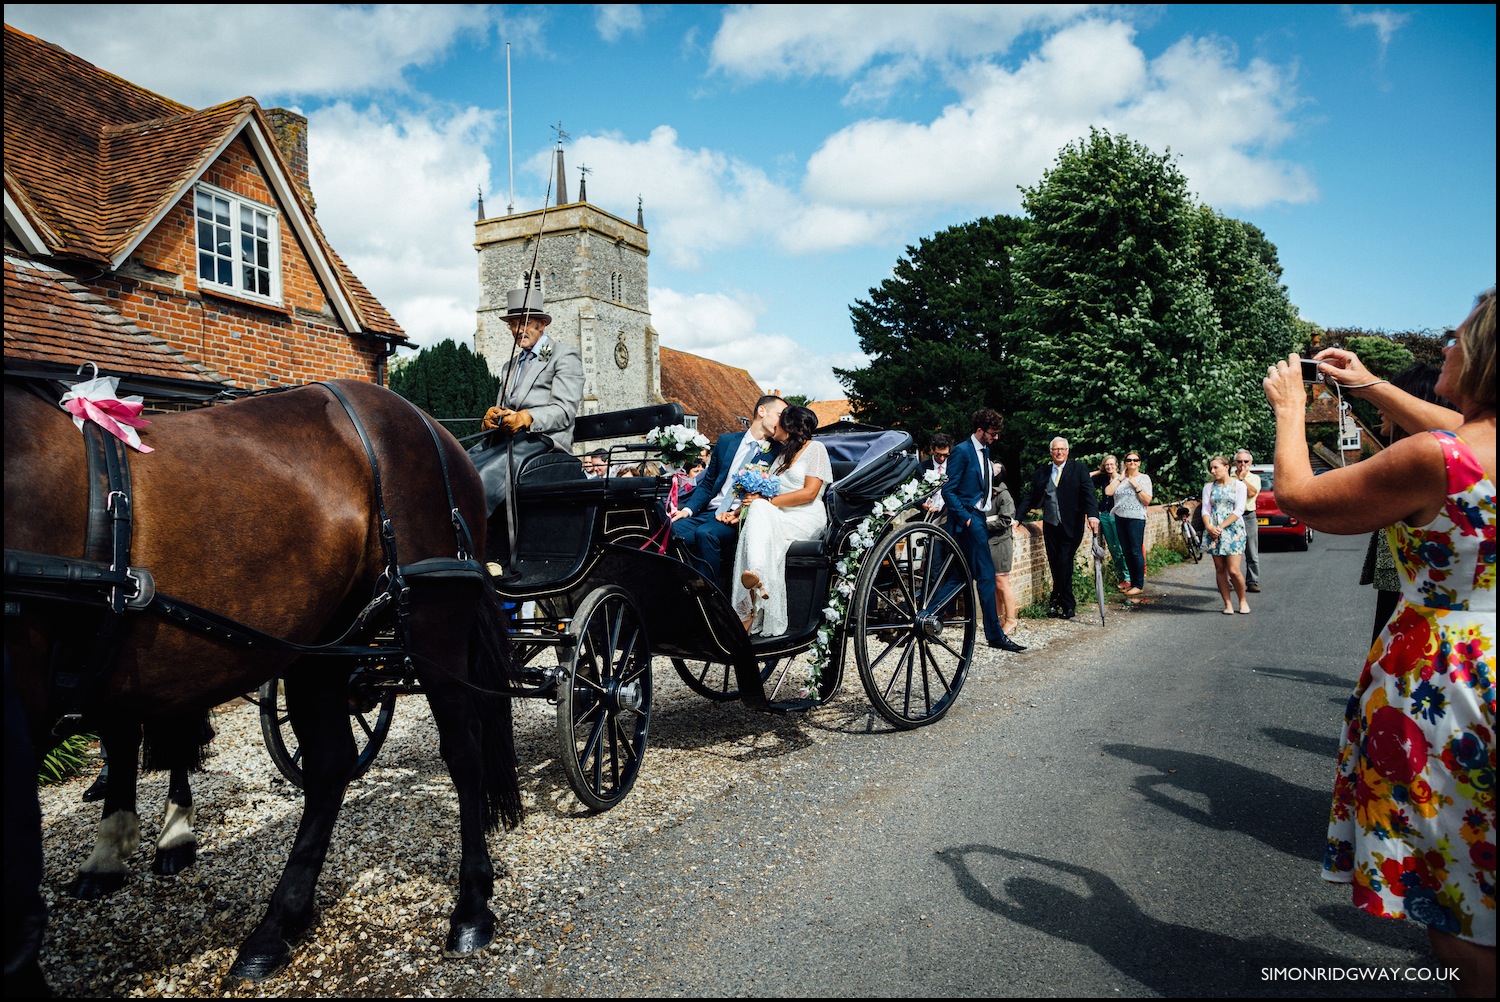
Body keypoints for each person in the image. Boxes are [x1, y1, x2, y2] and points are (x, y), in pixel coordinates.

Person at [1265, 289, 1495, 990]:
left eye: (1457, 341)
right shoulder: (1461, 445)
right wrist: (1371, 386)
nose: (1447, 349)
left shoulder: (1437, 458)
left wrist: (1289, 411)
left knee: (1463, 896)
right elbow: (1459, 425)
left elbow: (1301, 499)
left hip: (1448, 680)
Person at [470, 288, 584, 516]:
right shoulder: (509, 366)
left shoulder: (564, 356)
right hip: (506, 440)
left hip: (544, 440)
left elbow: (564, 411)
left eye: (525, 323)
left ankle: (473, 533)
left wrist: (526, 418)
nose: (518, 330)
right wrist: (492, 418)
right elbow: (504, 409)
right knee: (459, 465)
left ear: (542, 324)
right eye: (513, 324)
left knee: (484, 477)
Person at [1355, 364, 1446, 644]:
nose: (1380, 410)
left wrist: (1289, 409)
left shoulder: (1413, 464)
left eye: (1390, 400)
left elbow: (1302, 498)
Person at [728, 406, 832, 636]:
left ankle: (750, 602)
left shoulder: (816, 449)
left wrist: (767, 501)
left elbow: (809, 494)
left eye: (779, 422)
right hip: (779, 514)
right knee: (756, 512)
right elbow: (765, 493)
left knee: (760, 508)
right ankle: (755, 579)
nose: (774, 426)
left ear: (789, 426)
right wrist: (738, 511)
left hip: (806, 517)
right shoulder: (782, 456)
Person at [935, 409, 1025, 651]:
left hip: (977, 516)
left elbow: (977, 483)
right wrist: (966, 519)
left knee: (959, 577)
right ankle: (995, 636)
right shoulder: (963, 452)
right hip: (969, 521)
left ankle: (929, 616)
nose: (996, 438)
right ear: (979, 431)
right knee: (985, 577)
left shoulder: (984, 450)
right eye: (993, 433)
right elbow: (948, 491)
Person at [670, 395, 786, 581]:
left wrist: (741, 511)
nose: (783, 422)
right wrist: (687, 510)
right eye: (780, 415)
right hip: (709, 512)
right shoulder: (725, 441)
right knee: (668, 530)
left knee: (705, 534)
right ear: (762, 411)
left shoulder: (778, 452)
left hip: (738, 518)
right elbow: (708, 483)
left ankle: (709, 600)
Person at [1020, 437, 1101, 620]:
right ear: (1051, 452)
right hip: (1050, 525)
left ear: (1067, 451)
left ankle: (1066, 603)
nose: (1059, 452)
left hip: (1072, 525)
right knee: (1055, 563)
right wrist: (1017, 518)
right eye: (1055, 449)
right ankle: (1057, 602)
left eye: (1062, 449)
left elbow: (1089, 492)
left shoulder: (1078, 468)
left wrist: (1093, 514)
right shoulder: (1043, 472)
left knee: (1064, 561)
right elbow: (1031, 494)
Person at [1201, 455, 1250, 614]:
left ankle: (1242, 600)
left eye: (1216, 467)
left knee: (1234, 569)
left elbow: (1239, 510)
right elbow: (1205, 509)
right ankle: (1227, 604)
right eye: (1211, 468)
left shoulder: (1239, 486)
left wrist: (1221, 526)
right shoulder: (1209, 487)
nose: (1213, 471)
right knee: (1220, 568)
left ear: (1227, 467)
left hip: (1233, 530)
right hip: (1213, 530)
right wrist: (1209, 526)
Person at [1105, 451, 1153, 595]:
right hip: (1120, 517)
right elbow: (1108, 491)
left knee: (1135, 550)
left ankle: (1138, 584)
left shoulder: (1144, 478)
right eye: (1129, 460)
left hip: (1136, 518)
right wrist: (1121, 478)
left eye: (1135, 460)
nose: (1132, 462)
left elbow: (1147, 500)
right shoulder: (1120, 479)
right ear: (1125, 462)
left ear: (1139, 462)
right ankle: (1132, 582)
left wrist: (1135, 485)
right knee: (1126, 551)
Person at [986, 460, 1020, 636]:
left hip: (1001, 543)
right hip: (990, 543)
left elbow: (1006, 520)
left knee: (1002, 583)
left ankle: (1011, 620)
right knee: (994, 585)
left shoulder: (1004, 495)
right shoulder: (987, 494)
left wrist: (984, 524)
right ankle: (999, 619)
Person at [1092, 455, 1127, 588]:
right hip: (1104, 515)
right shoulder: (1104, 478)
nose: (1109, 467)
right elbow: (1085, 478)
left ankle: (1127, 576)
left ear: (1117, 465)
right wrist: (1100, 471)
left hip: (1117, 515)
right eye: (1106, 464)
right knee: (1112, 547)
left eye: (1112, 464)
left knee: (1120, 547)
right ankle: (1121, 576)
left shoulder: (1122, 479)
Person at [1232, 450, 1262, 592]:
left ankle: (1252, 581)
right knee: (1230, 549)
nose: (1242, 464)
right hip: (1232, 517)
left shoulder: (1254, 478)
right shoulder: (1229, 477)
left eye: (1245, 461)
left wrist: (1243, 479)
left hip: (1248, 515)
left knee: (1251, 551)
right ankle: (1231, 581)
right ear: (1234, 463)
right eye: (1239, 461)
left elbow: (1251, 493)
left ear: (1250, 463)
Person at [921, 432, 953, 518]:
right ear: (932, 449)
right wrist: (923, 504)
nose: (942, 458)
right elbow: (916, 495)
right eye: (938, 455)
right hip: (930, 515)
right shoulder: (922, 468)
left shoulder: (954, 466)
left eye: (945, 455)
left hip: (949, 513)